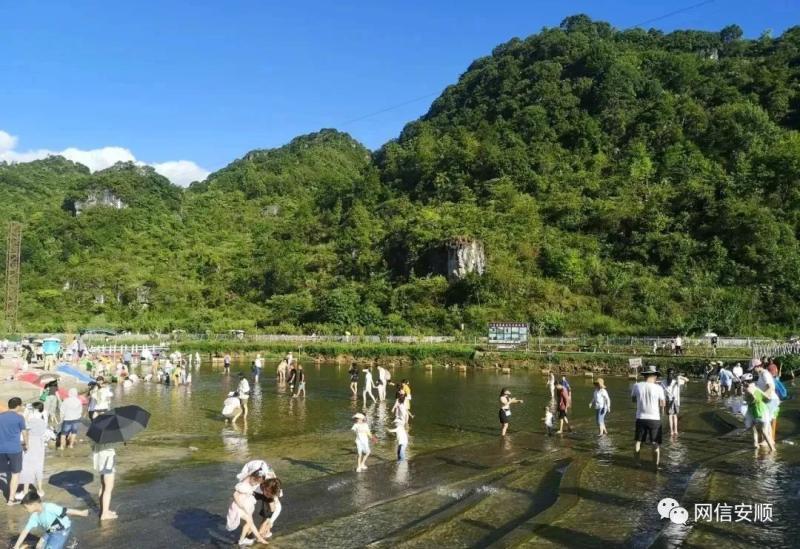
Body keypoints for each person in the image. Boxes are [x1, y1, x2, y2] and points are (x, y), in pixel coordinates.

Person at [12, 491, 88, 549]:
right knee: (39, 546)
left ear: (34, 504)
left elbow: (65, 511)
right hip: (50, 531)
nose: (25, 510)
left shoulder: (49, 507)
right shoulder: (34, 516)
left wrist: (81, 513)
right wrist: (16, 546)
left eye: (26, 507)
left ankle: (71, 541)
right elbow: (25, 531)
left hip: (62, 530)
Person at [631, 365, 666, 469]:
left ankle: (637, 463)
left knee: (638, 441)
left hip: (640, 417)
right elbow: (662, 404)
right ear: (655, 376)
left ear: (645, 375)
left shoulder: (636, 385)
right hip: (654, 419)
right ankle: (655, 466)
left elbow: (633, 400)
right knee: (655, 443)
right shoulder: (659, 388)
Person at [226, 471, 269, 547]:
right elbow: (235, 494)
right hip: (238, 507)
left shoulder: (250, 480)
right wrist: (241, 506)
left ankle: (241, 541)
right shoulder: (243, 485)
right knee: (250, 522)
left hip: (246, 504)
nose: (256, 484)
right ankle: (259, 538)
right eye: (255, 482)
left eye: (257, 483)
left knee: (249, 523)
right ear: (252, 478)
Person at [1, 397, 28, 505]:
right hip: (14, 449)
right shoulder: (19, 418)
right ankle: (11, 500)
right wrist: (26, 444)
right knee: (15, 474)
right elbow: (24, 433)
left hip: (0, 449)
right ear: (18, 406)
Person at [20, 402, 48, 498]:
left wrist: (26, 414)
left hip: (30, 444)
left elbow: (24, 430)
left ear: (34, 410)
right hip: (40, 445)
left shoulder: (30, 421)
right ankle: (40, 490)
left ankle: (25, 491)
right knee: (39, 466)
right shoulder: (43, 421)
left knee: (27, 467)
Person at [744, 381, 775, 452]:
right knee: (763, 430)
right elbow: (768, 398)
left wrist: (749, 397)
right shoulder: (757, 389)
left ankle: (770, 448)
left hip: (756, 412)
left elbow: (747, 400)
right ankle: (768, 447)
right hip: (764, 410)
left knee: (755, 428)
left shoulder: (747, 391)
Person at [92, 442, 117, 520]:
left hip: (100, 459)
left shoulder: (96, 436)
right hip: (107, 459)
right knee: (108, 488)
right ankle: (105, 514)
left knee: (103, 486)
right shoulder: (108, 437)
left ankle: (104, 510)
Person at [661, 369, 688, 437]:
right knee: (675, 416)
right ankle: (676, 431)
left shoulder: (663, 382)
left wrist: (662, 406)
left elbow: (661, 393)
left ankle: (671, 432)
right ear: (673, 374)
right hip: (675, 401)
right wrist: (680, 376)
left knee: (670, 416)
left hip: (668, 400)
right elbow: (687, 380)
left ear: (667, 374)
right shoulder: (677, 381)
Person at [255, 477, 283, 541]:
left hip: (275, 507)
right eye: (267, 493)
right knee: (266, 519)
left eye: (270, 495)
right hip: (267, 501)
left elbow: (273, 509)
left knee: (267, 521)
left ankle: (263, 534)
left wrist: (268, 521)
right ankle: (265, 533)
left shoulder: (276, 493)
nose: (268, 495)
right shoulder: (259, 487)